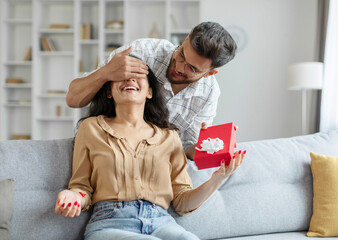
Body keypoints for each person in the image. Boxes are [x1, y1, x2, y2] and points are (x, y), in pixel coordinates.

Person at [55, 61, 245, 240]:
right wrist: (73, 197)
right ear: (109, 92)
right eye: (122, 76)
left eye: (137, 75)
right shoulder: (91, 128)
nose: (129, 79)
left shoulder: (169, 137)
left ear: (150, 91)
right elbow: (81, 187)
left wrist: (218, 177)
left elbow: (181, 202)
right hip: (109, 225)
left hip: (161, 223)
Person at [66, 22, 238, 160]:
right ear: (186, 39)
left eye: (192, 69)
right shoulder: (142, 52)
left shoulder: (208, 94)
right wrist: (105, 73)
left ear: (211, 73)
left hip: (154, 165)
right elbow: (73, 99)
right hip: (106, 152)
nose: (179, 67)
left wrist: (211, 148)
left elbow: (187, 147)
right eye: (182, 54)